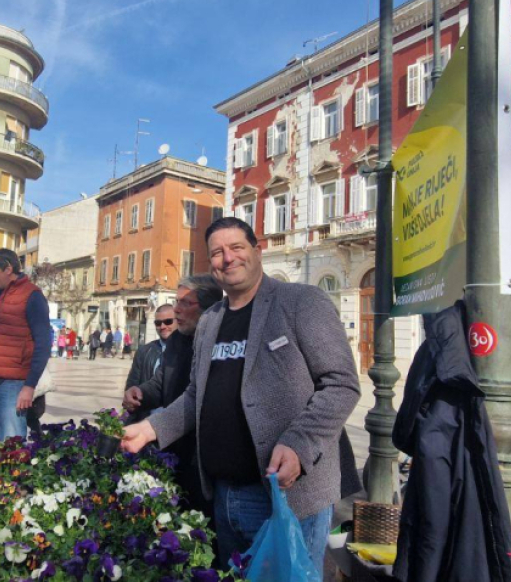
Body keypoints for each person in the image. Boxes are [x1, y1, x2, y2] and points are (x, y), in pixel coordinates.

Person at [123, 218, 361, 571]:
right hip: (224, 493)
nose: (227, 258)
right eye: (217, 253)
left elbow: (341, 383)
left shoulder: (300, 301)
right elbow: (194, 396)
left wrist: (299, 443)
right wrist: (151, 428)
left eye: (236, 247)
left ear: (257, 251)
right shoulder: (210, 320)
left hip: (288, 495)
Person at [123, 276, 223, 517]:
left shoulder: (221, 341)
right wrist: (141, 392)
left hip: (205, 458)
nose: (176, 309)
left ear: (208, 308)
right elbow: (161, 383)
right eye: (176, 301)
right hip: (175, 448)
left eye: (185, 303)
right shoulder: (177, 340)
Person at [0, 249, 51, 441]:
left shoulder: (32, 296)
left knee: (12, 445)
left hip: (13, 383)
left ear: (8, 269)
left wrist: (29, 386)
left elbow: (43, 344)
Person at [122, 304, 176, 421]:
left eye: (168, 322)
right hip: (147, 420)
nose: (162, 326)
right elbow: (132, 384)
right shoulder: (144, 351)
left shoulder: (189, 350)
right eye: (158, 323)